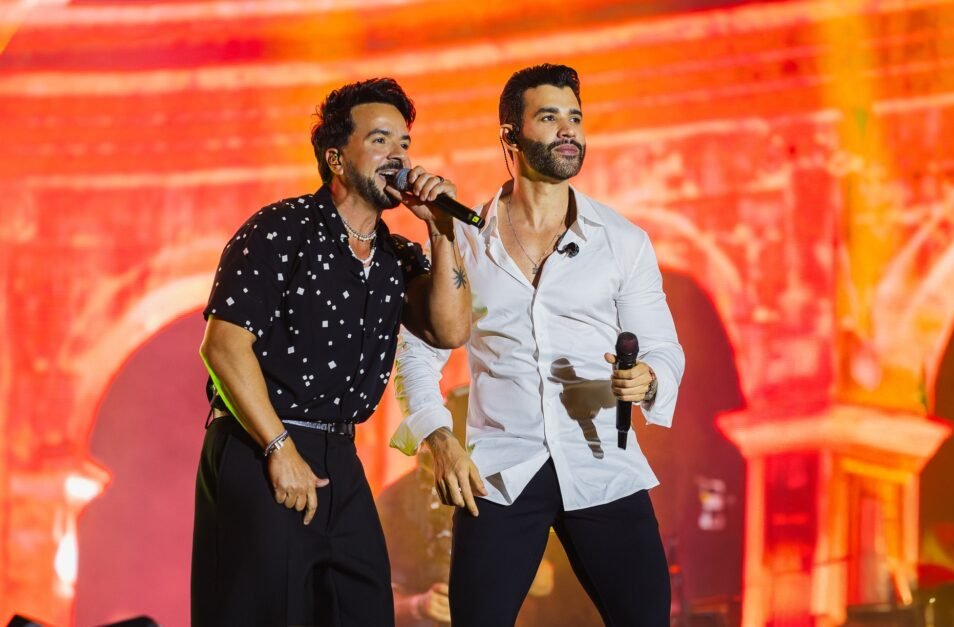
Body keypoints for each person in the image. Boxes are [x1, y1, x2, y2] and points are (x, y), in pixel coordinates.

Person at [390, 64, 684, 626]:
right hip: (501, 472)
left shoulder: (622, 242)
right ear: (511, 136)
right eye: (549, 118)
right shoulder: (463, 238)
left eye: (575, 117)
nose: (568, 130)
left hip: (602, 464)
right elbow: (417, 354)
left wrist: (648, 377)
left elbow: (663, 348)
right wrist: (439, 439)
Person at [191, 77, 470, 627]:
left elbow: (450, 329)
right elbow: (223, 346)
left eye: (405, 143)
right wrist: (279, 447)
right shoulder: (280, 229)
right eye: (381, 140)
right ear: (336, 159)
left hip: (340, 453)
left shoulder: (395, 255)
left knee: (361, 607)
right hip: (261, 443)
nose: (399, 156)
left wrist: (442, 232)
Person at [379, 387, 557, 626]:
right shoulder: (395, 500)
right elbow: (368, 598)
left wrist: (494, 558)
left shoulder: (516, 486)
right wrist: (418, 606)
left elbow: (546, 582)